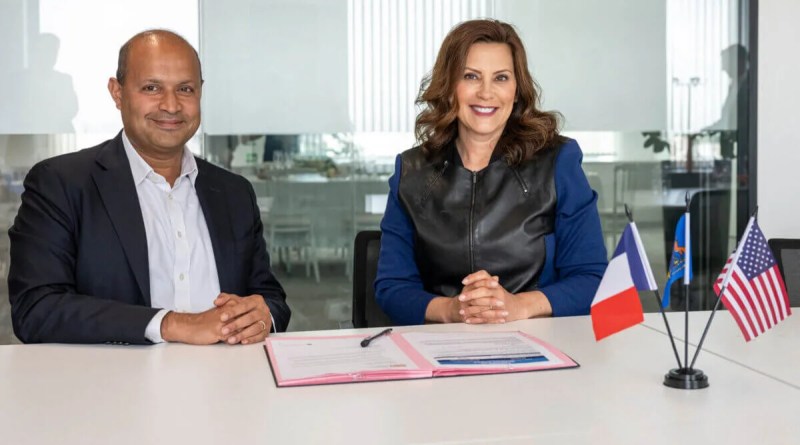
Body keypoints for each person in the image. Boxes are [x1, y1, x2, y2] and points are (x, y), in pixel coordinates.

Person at [8, 30, 290, 344]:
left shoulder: (234, 192)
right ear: (117, 93)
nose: (171, 105)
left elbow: (269, 298)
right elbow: (36, 309)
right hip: (112, 376)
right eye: (152, 88)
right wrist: (173, 324)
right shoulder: (61, 184)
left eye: (185, 89)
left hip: (228, 374)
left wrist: (263, 316)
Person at [375, 20, 607, 326]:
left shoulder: (558, 161)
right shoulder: (411, 172)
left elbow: (592, 278)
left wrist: (518, 306)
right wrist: (453, 309)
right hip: (444, 342)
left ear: (516, 90)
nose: (486, 93)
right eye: (471, 76)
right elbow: (392, 287)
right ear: (449, 86)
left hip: (539, 338)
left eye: (501, 78)